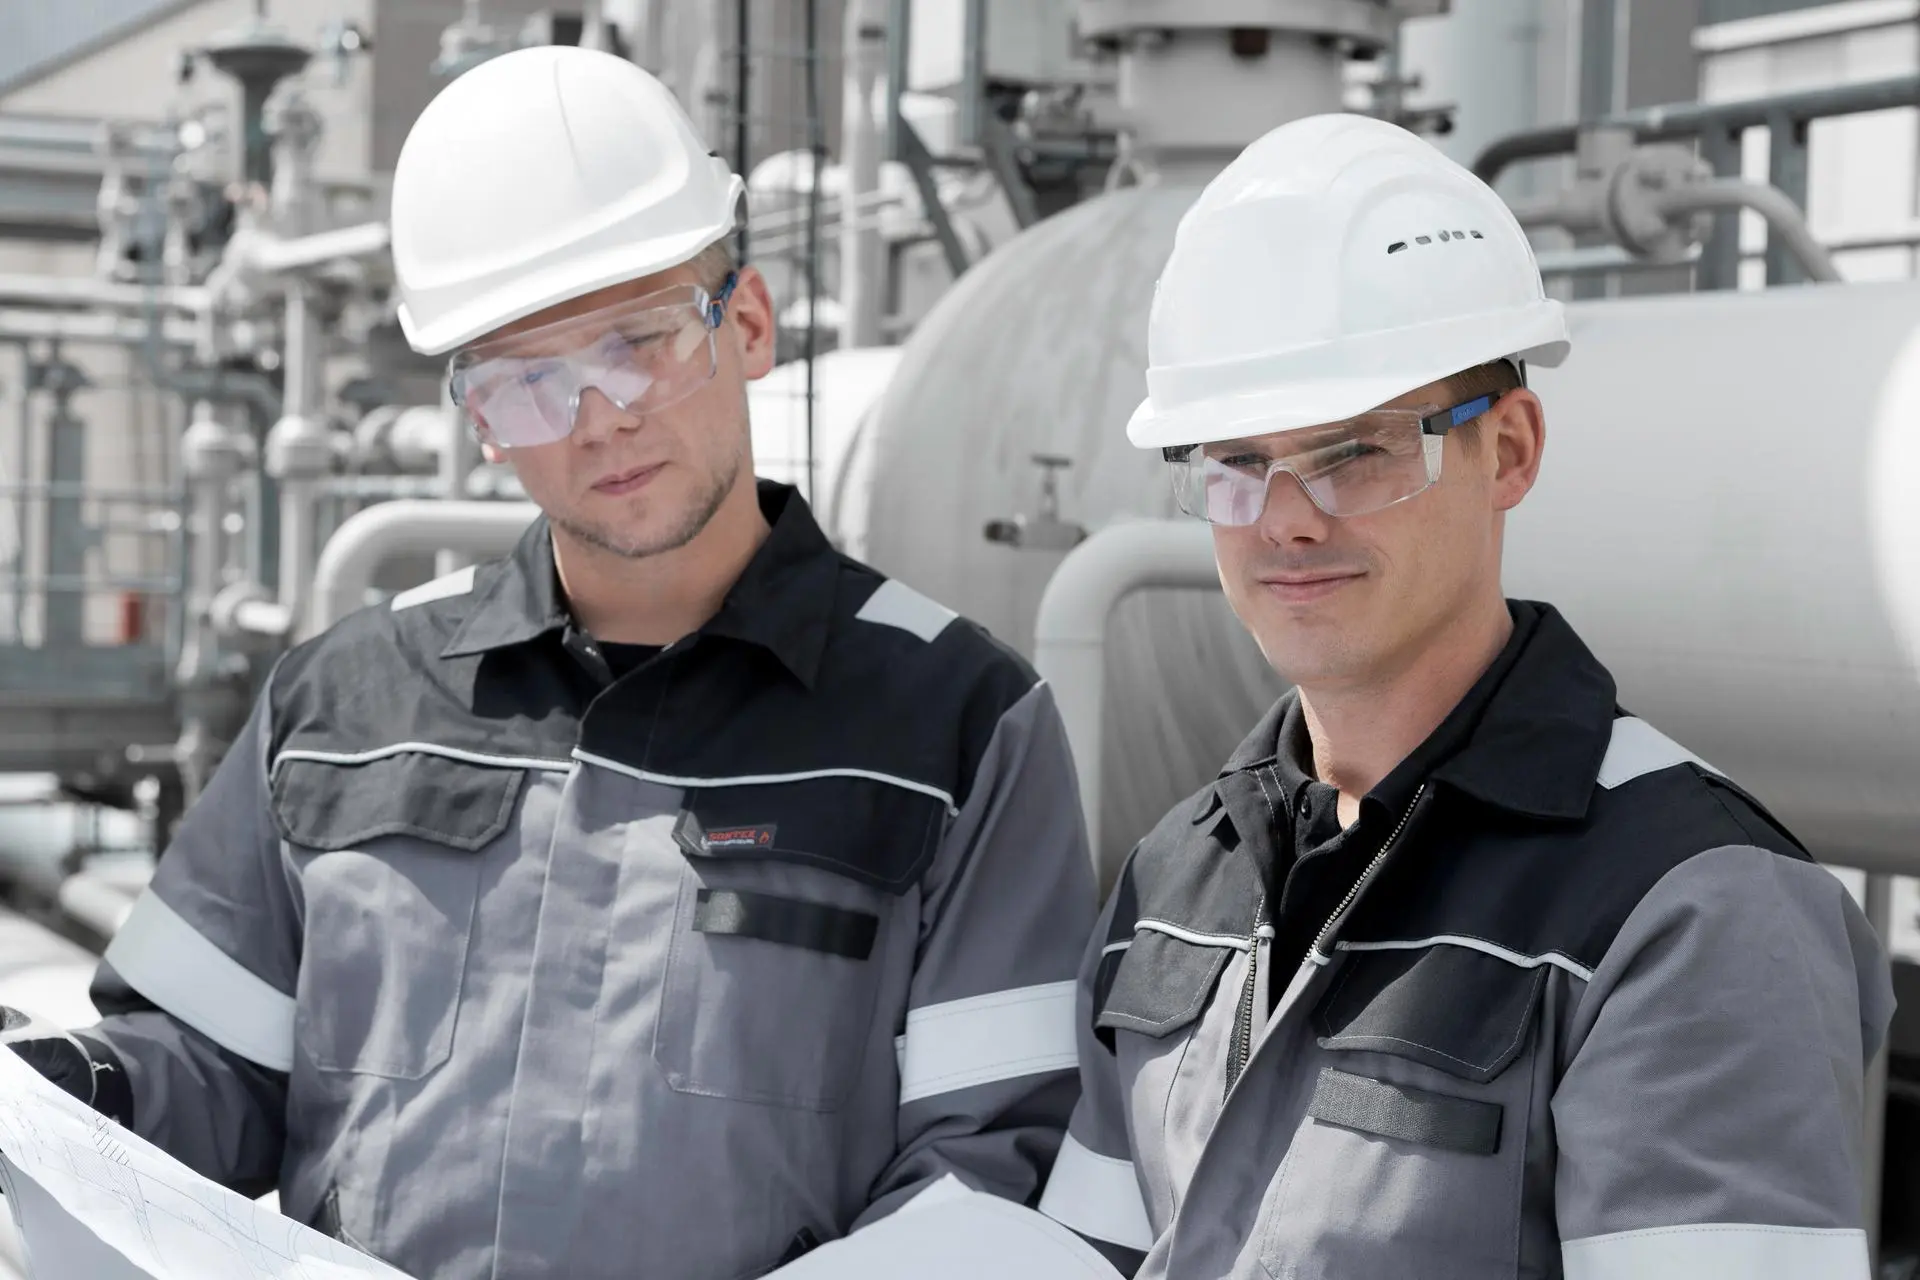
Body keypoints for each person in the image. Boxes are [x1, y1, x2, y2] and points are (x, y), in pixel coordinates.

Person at [1, 46, 1095, 1280]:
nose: (597, 418)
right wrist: (59, 1092)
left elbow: (994, 1168)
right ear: (474, 418)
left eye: (638, 342)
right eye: (528, 381)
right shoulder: (344, 702)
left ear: (744, 323)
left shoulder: (955, 723)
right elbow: (202, 1067)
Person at [1031, 112, 1895, 1279]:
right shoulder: (1175, 874)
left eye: (1357, 451)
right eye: (1234, 461)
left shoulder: (1694, 907)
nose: (1286, 517)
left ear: (1513, 449)